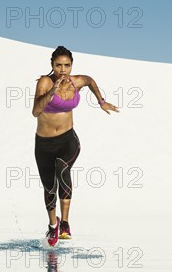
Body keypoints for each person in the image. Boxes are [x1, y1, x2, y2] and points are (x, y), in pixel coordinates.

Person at [32, 46, 120, 246]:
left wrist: (101, 101)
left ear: (72, 65)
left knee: (62, 170)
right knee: (49, 186)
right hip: (44, 144)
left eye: (67, 65)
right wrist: (51, 92)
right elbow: (36, 112)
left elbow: (89, 80)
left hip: (68, 141)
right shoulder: (45, 82)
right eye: (58, 65)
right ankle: (52, 226)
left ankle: (65, 223)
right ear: (52, 65)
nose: (63, 69)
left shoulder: (76, 81)